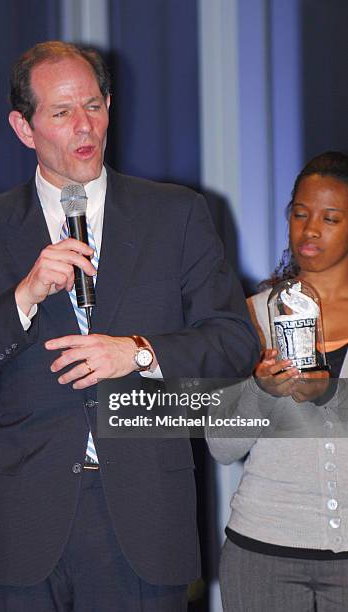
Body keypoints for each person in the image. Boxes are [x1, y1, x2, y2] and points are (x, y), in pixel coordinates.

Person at [0, 41, 258, 611]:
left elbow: (233, 342)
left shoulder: (176, 214)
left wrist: (139, 353)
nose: (85, 127)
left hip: (143, 517)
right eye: (61, 113)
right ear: (23, 128)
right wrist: (23, 297)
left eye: (95, 105)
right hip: (20, 523)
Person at [207, 151, 348, 611]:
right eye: (300, 214)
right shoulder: (250, 316)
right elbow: (221, 445)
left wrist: (328, 392)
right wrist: (259, 391)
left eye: (330, 218)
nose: (310, 230)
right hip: (263, 551)